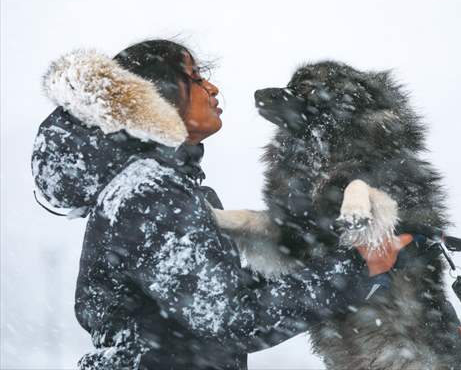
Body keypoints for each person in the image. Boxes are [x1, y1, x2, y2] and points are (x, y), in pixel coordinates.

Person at [32, 40, 395, 370]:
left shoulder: (165, 190)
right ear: (156, 93)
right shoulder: (148, 193)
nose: (212, 87)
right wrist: (356, 267)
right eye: (195, 77)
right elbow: (228, 317)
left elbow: (240, 298)